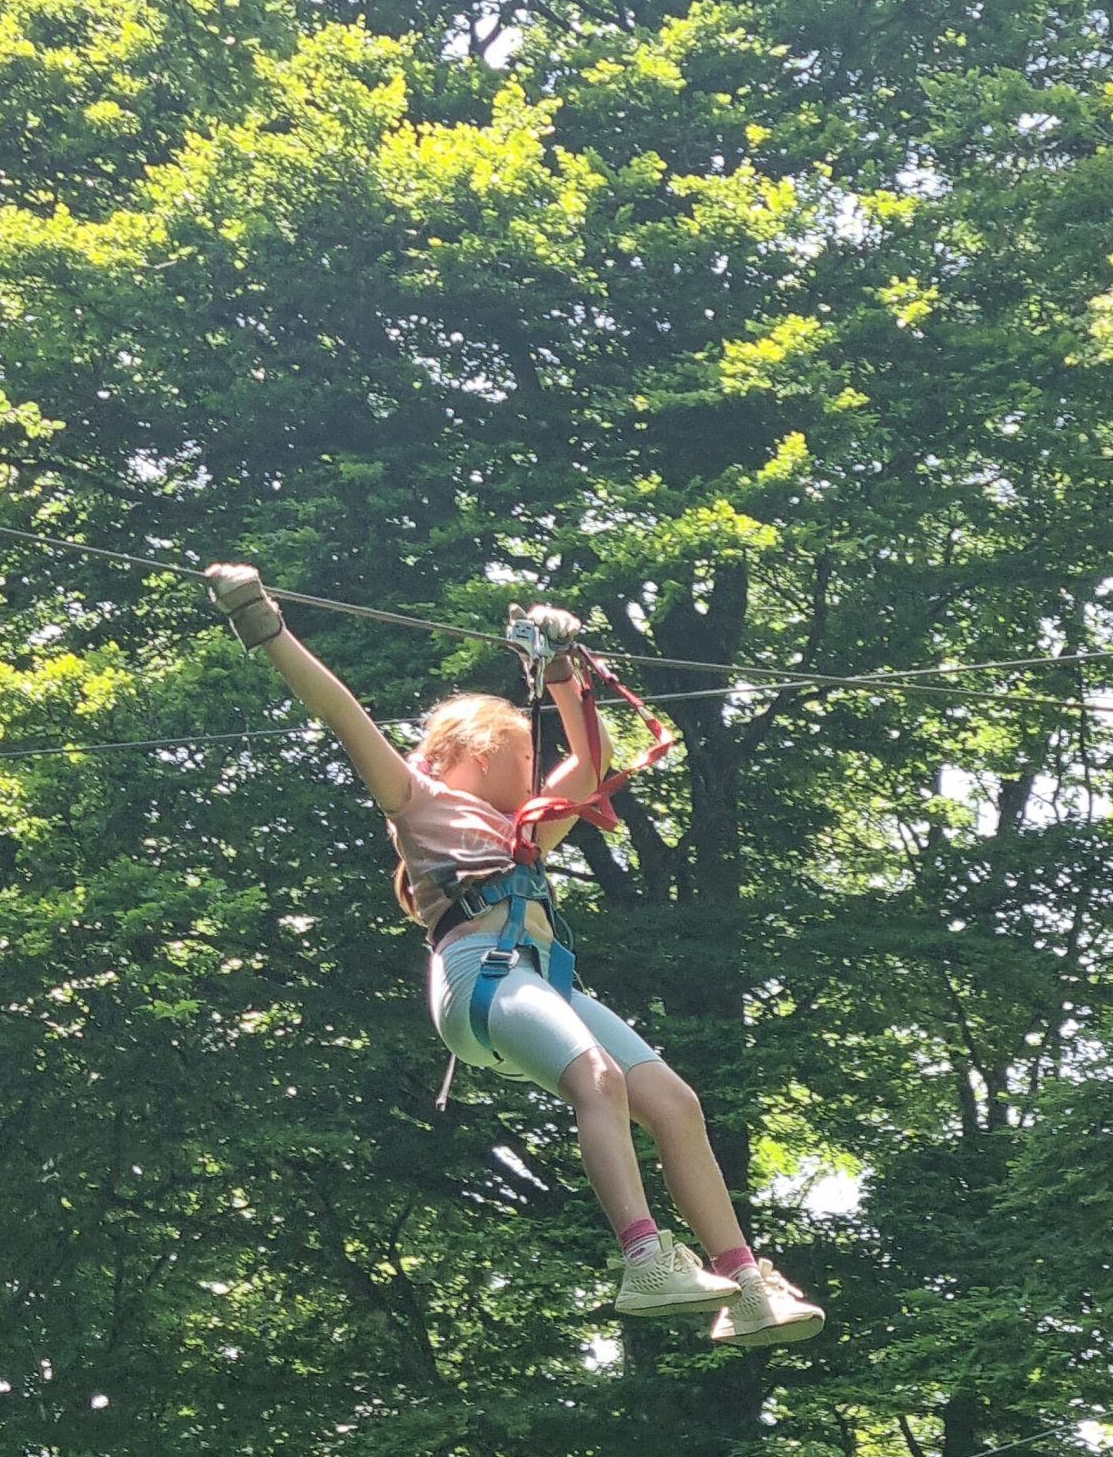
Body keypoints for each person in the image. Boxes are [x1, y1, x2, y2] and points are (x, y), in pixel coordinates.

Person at [205, 563, 824, 1346]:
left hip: (540, 982)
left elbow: (593, 762)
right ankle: (644, 1259)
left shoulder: (523, 829)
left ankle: (745, 1284)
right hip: (478, 978)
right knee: (596, 1077)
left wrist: (560, 671)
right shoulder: (418, 799)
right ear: (470, 749)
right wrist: (263, 622)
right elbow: (339, 709)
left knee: (675, 1103)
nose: (537, 768)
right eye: (524, 752)